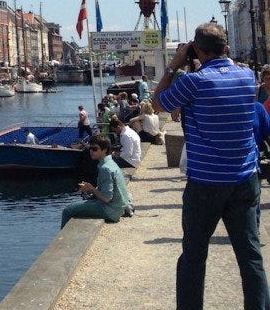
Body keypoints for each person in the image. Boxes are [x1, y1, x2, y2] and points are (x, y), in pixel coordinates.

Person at [153, 22, 270, 310]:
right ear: (225, 47)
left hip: (206, 182)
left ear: (197, 49)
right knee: (250, 255)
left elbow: (158, 103)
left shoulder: (194, 83)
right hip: (244, 177)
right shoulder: (247, 77)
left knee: (194, 256)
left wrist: (174, 65)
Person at [60, 136, 131, 228]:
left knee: (68, 210)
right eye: (90, 148)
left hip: (110, 210)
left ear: (104, 150)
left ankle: (65, 241)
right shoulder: (109, 163)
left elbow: (106, 198)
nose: (91, 151)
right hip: (118, 207)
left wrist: (91, 189)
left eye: (94, 149)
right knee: (79, 205)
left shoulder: (106, 168)